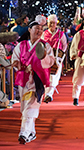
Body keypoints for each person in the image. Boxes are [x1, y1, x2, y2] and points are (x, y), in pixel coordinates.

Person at [11, 15, 55, 144]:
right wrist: (18, 65)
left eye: (41, 29)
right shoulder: (21, 45)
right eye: (36, 28)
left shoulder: (45, 46)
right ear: (30, 29)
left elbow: (51, 61)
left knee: (31, 107)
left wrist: (43, 59)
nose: (39, 31)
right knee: (25, 107)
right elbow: (15, 59)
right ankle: (32, 132)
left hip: (38, 80)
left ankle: (23, 133)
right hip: (23, 79)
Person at [41, 14, 68, 103]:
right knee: (46, 76)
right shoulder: (44, 34)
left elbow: (64, 45)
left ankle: (49, 95)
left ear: (56, 24)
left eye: (54, 23)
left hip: (57, 58)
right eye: (50, 23)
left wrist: (60, 55)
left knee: (54, 76)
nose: (52, 25)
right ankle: (46, 94)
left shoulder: (61, 34)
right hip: (46, 58)